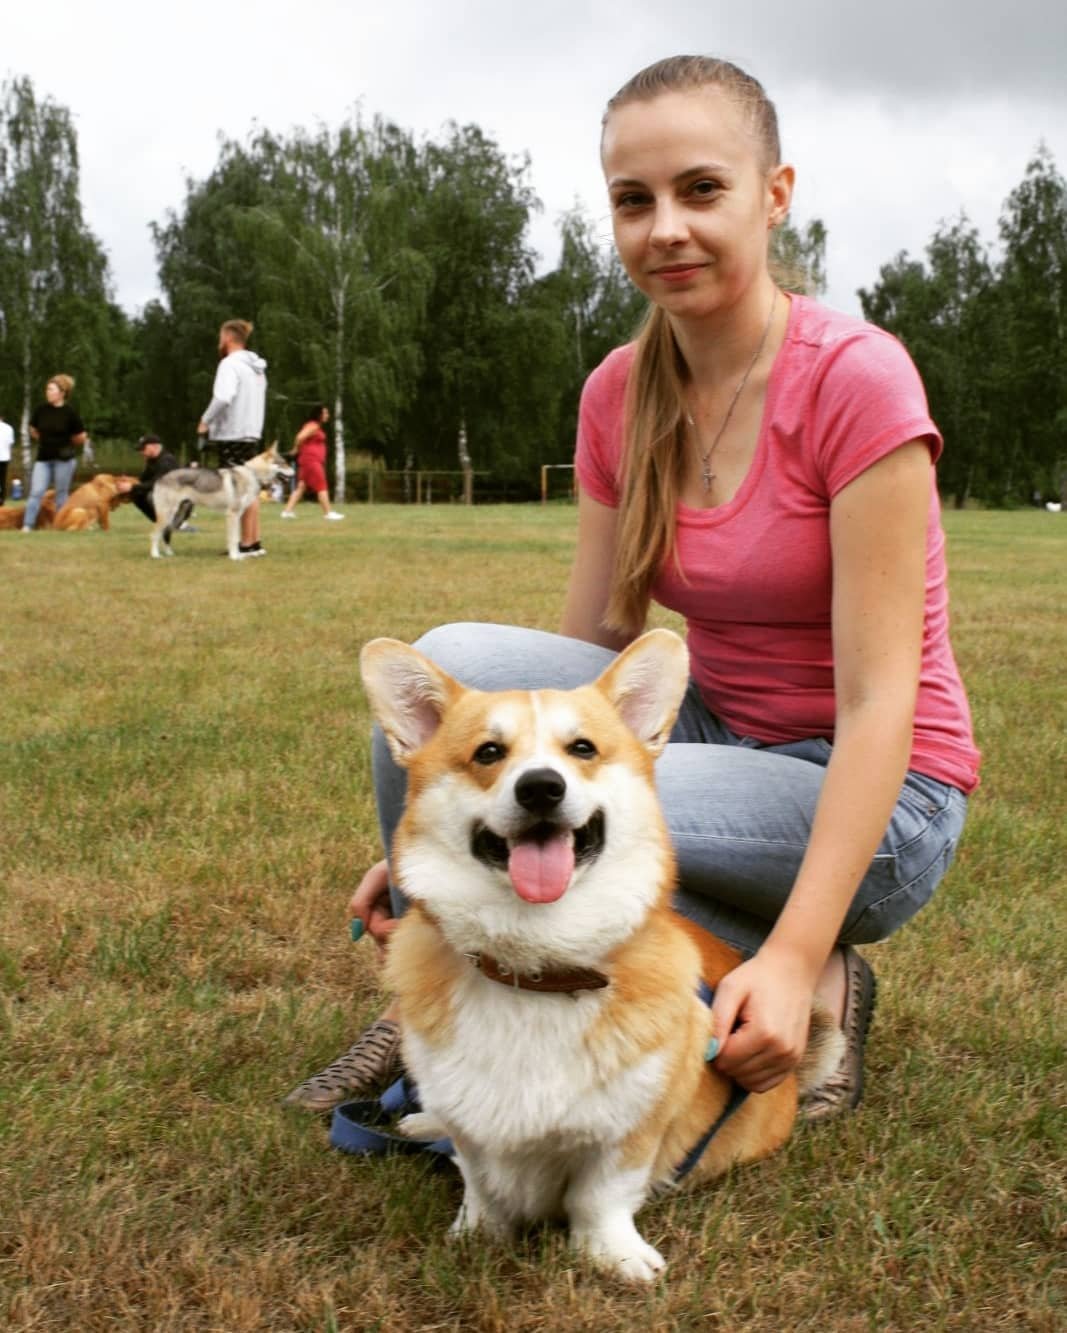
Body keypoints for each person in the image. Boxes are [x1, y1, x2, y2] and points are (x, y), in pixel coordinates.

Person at [285, 54, 979, 1121]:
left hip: (883, 788)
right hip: (715, 732)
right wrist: (443, 841)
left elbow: (880, 700)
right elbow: (588, 661)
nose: (666, 229)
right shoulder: (618, 390)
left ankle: (826, 977)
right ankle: (446, 972)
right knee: (458, 668)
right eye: (632, 200)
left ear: (773, 194)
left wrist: (793, 956)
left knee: (605, 815)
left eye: (700, 190)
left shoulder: (855, 379)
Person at [197, 319, 268, 557]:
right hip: (252, 432)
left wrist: (205, 420)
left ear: (228, 338)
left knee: (239, 490)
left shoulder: (229, 364)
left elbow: (223, 397)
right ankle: (253, 541)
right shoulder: (256, 368)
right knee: (251, 488)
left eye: (220, 337)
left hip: (232, 433)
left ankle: (245, 544)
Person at [21, 375, 88, 532]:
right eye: (47, 389)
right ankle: (27, 524)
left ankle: (60, 524)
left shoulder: (70, 412)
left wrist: (67, 443)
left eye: (51, 389)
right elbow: (33, 429)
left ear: (62, 393)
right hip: (43, 459)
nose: (48, 392)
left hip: (64, 460)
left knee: (61, 493)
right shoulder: (41, 410)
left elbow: (81, 436)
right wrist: (45, 439)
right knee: (36, 491)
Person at [280, 404, 345, 520]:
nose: (327, 415)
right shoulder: (313, 426)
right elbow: (300, 437)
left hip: (308, 460)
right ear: (319, 414)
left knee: (301, 487)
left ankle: (287, 512)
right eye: (325, 413)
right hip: (311, 460)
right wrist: (295, 449)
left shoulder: (315, 426)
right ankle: (328, 513)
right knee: (322, 485)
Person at [119, 434, 181, 522]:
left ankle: (178, 522)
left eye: (143, 448)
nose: (141, 452)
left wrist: (132, 486)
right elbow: (142, 480)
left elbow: (157, 484)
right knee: (136, 494)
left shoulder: (166, 461)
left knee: (152, 496)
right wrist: (129, 481)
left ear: (154, 446)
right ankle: (162, 522)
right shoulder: (152, 460)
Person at [0, 411, 13, 504]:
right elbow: (10, 443)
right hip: (4, 458)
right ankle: (2, 500)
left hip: (4, 456)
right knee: (2, 481)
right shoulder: (9, 428)